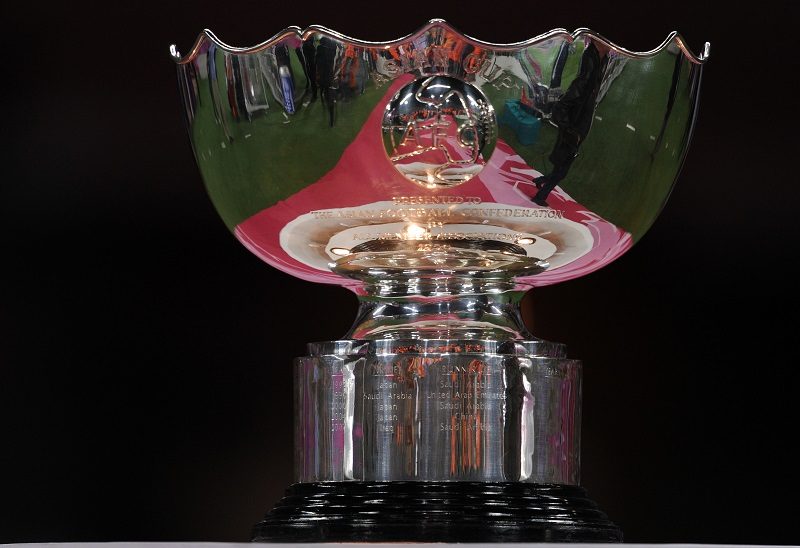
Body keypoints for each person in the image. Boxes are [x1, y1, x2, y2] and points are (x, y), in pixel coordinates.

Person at [532, 40, 609, 206]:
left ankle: (541, 182)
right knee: (562, 167)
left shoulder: (595, 60)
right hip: (569, 110)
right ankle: (540, 194)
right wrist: (565, 123)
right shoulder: (580, 53)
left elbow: (561, 75)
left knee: (562, 164)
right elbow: (559, 77)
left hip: (574, 113)